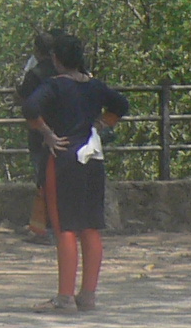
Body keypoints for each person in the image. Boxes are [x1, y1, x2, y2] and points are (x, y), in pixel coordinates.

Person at [23, 32, 127, 313]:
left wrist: (46, 133)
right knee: (91, 226)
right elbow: (121, 104)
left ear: (56, 59)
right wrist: (103, 124)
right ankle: (88, 294)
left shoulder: (54, 86)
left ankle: (65, 296)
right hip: (92, 158)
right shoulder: (94, 86)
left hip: (64, 157)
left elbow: (30, 107)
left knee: (65, 225)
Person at [17, 31, 57, 242]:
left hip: (40, 130)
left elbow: (24, 98)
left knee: (43, 179)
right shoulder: (65, 72)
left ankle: (46, 228)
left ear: (36, 50)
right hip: (66, 130)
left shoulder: (36, 74)